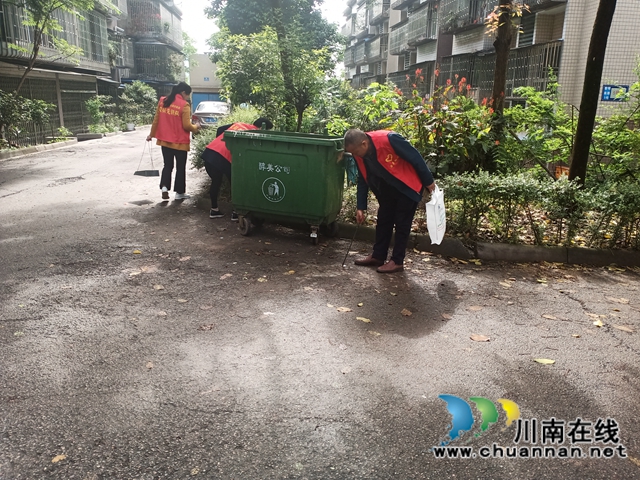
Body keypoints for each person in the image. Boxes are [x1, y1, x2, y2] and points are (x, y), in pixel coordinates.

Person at [344, 128, 436, 273]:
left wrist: (429, 183)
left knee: (402, 224)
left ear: (363, 144)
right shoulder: (358, 154)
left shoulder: (389, 139)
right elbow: (362, 178)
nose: (355, 156)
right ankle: (378, 255)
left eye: (355, 152)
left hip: (407, 186)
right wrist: (360, 207)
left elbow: (416, 158)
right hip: (387, 189)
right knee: (383, 220)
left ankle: (397, 261)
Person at [201, 117, 273, 220]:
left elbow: (220, 129)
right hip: (224, 157)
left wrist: (220, 143)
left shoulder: (239, 124)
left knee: (216, 182)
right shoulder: (255, 133)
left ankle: (214, 210)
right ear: (262, 127)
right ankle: (236, 212)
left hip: (210, 152)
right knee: (235, 184)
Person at [147, 82, 200, 201]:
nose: (188, 97)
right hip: (180, 143)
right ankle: (179, 193)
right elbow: (187, 126)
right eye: (188, 95)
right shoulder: (184, 105)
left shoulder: (163, 101)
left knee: (167, 165)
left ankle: (165, 188)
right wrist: (196, 127)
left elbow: (156, 120)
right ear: (183, 93)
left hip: (165, 142)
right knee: (180, 168)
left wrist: (151, 134)